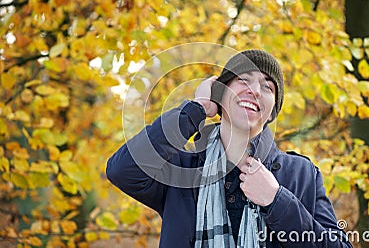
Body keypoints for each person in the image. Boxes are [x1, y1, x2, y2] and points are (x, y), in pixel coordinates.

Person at [106, 50, 353, 247]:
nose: (255, 90)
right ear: (220, 96)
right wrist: (197, 109)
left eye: (267, 86)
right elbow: (122, 170)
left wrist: (277, 200)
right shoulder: (182, 169)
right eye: (243, 79)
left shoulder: (301, 174)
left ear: (271, 112)